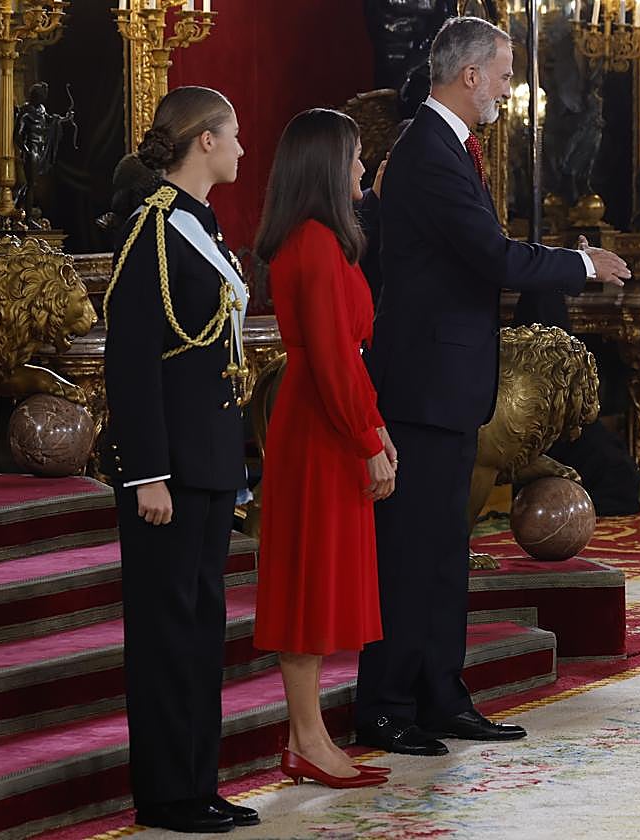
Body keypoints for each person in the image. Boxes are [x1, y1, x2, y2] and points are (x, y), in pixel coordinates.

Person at [355, 15, 631, 757]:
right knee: (412, 555)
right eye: (505, 74)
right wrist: (579, 264)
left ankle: (441, 694)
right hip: (422, 385)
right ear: (470, 74)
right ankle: (384, 705)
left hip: (449, 381)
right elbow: (491, 256)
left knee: (445, 551)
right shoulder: (429, 152)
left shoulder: (448, 146)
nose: (510, 88)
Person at [102, 86, 258, 833]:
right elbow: (132, 363)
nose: (240, 148)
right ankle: (167, 794)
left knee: (200, 631)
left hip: (210, 459)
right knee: (167, 634)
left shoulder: (202, 226)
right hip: (168, 471)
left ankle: (200, 782)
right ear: (203, 141)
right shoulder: (151, 230)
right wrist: (147, 472)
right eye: (233, 136)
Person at [252, 109, 394, 789]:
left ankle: (308, 736)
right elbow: (335, 357)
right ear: (328, 167)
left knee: (318, 579)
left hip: (329, 416)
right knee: (307, 582)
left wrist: (374, 426)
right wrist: (365, 434)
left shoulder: (322, 239)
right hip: (317, 426)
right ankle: (306, 739)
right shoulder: (310, 242)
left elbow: (347, 357)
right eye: (357, 156)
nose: (363, 167)